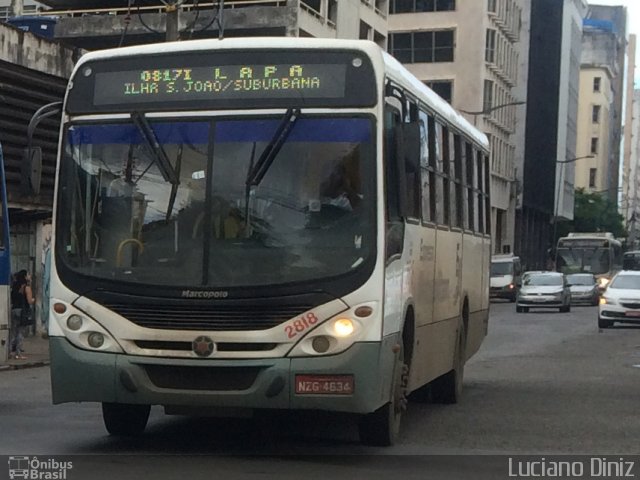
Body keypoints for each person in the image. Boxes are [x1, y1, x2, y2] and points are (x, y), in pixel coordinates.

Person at [9, 270, 35, 360]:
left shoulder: (14, 286)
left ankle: (10, 352)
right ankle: (18, 353)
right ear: (25, 276)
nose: (30, 276)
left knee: (13, 332)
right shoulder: (26, 287)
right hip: (22, 311)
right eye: (28, 274)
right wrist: (33, 300)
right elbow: (29, 301)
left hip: (14, 310)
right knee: (20, 332)